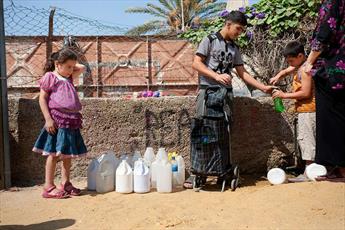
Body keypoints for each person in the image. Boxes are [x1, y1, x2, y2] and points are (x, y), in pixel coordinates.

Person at [184, 10, 274, 188]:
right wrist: (216, 76)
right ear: (228, 24)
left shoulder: (235, 48)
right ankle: (200, 170)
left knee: (224, 133)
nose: (239, 33)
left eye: (242, 30)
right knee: (204, 131)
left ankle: (221, 171)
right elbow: (196, 63)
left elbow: (242, 73)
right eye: (238, 29)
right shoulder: (209, 40)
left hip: (226, 95)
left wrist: (263, 87)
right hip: (208, 92)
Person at [32, 48, 87, 198]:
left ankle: (65, 183)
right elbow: (42, 98)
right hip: (57, 120)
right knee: (53, 154)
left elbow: (82, 67)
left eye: (72, 67)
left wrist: (69, 66)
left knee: (67, 154)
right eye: (68, 66)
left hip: (71, 121)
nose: (71, 70)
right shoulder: (51, 77)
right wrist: (48, 119)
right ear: (57, 64)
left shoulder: (68, 78)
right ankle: (48, 186)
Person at [304, 0, 345, 182]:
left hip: (332, 69)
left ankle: (339, 169)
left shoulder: (331, 2)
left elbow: (324, 34)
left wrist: (309, 61)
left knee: (330, 119)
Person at [272, 41, 316, 182]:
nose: (290, 63)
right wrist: (279, 76)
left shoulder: (304, 70)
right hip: (305, 110)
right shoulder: (301, 65)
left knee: (307, 141)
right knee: (307, 140)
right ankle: (310, 171)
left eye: (291, 60)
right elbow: (289, 70)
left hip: (308, 110)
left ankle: (309, 172)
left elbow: (305, 93)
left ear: (300, 55)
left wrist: (284, 95)